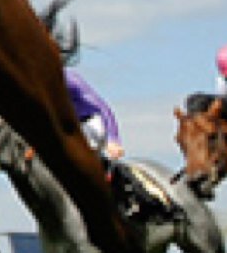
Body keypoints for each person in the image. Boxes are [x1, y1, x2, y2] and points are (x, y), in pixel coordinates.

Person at [65, 67, 173, 221]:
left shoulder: (70, 79)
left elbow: (102, 108)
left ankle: (127, 195)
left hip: (90, 122)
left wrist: (113, 139)